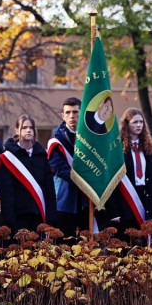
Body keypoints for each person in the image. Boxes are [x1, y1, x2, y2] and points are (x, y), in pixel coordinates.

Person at [0, 115, 56, 233]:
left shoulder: (41, 155)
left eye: (31, 127)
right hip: (19, 216)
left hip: (40, 214)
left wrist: (51, 217)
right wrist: (10, 220)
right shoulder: (9, 157)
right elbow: (7, 191)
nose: (28, 130)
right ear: (17, 130)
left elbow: (49, 188)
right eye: (24, 127)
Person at [107, 108, 152, 232]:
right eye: (135, 122)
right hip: (125, 201)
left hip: (145, 200)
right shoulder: (117, 149)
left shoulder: (149, 149)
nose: (139, 125)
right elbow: (110, 182)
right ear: (126, 124)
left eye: (141, 122)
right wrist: (113, 211)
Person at [47, 97, 87, 238]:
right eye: (68, 112)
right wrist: (84, 179)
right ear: (63, 115)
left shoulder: (90, 137)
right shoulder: (56, 140)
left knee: (86, 246)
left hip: (87, 201)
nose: (72, 116)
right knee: (65, 244)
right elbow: (60, 169)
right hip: (65, 200)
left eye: (75, 112)